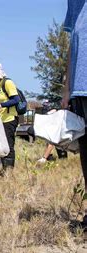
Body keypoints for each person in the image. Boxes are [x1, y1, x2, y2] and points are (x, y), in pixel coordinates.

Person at [62, 0, 87, 193]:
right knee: (86, 154)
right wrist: (66, 88)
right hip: (79, 88)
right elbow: (73, 42)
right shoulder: (74, 2)